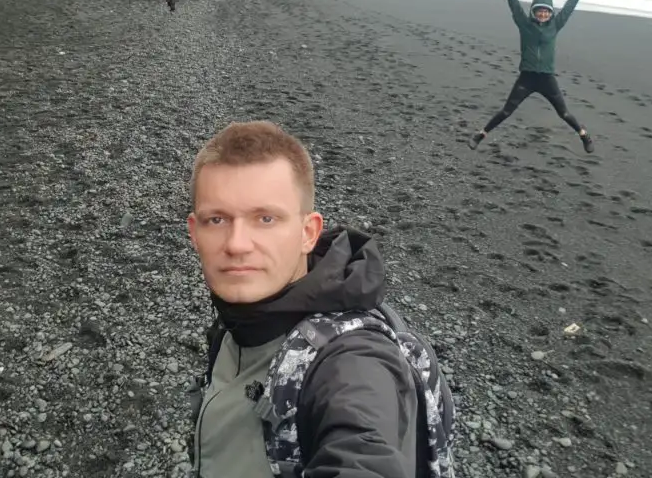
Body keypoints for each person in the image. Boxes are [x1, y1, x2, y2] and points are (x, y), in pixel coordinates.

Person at [186, 121, 455, 478]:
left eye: (265, 218)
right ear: (194, 232)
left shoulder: (350, 360)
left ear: (307, 233)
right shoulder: (240, 319)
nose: (236, 244)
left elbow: (364, 450)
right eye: (217, 219)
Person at [469, 0, 595, 153]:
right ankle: (480, 135)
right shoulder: (524, 24)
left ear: (550, 13)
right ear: (534, 11)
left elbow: (570, 5)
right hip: (527, 78)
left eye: (546, 11)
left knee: (564, 113)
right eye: (539, 10)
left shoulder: (556, 25)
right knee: (506, 111)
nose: (543, 14)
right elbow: (513, 1)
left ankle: (584, 136)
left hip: (547, 79)